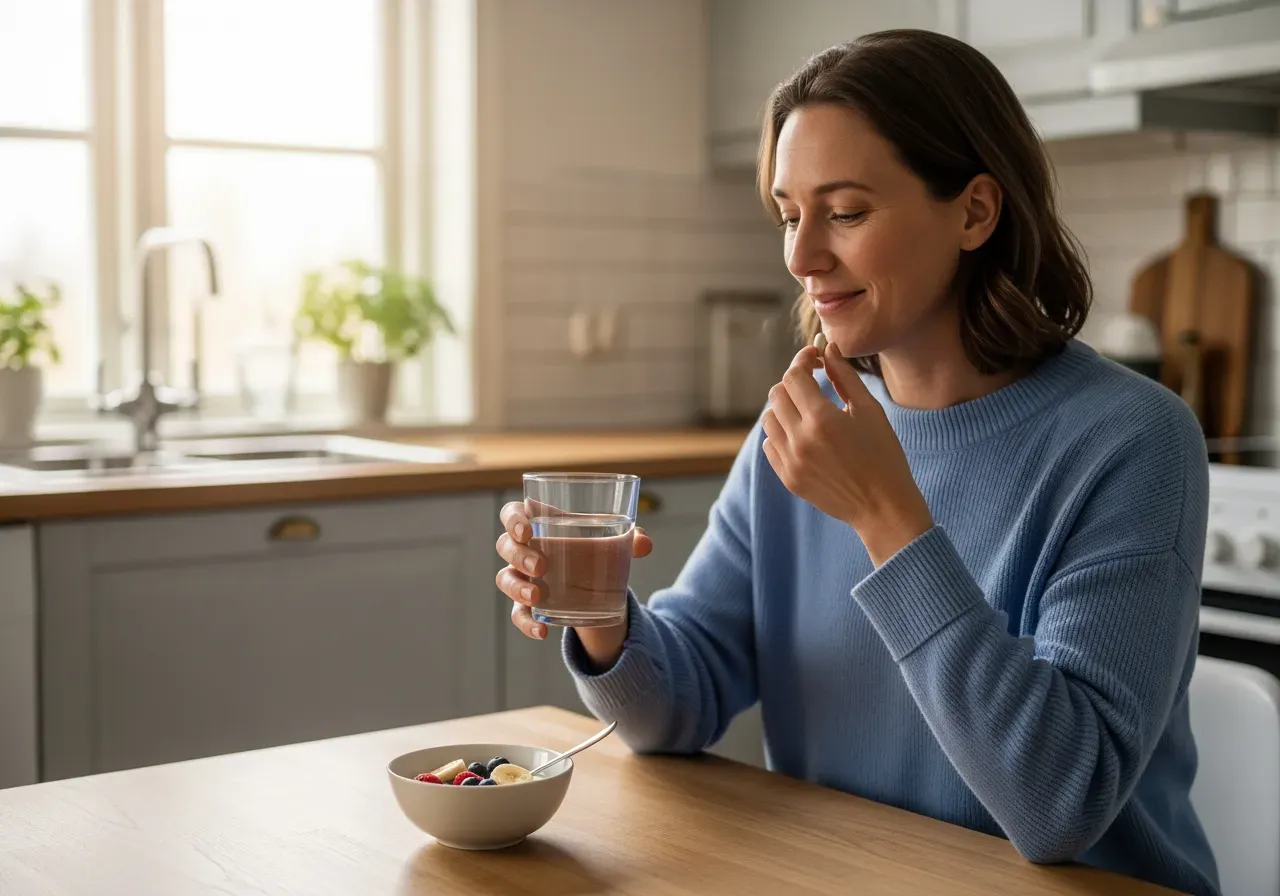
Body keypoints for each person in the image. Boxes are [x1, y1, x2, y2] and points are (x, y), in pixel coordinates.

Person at [494, 29, 1218, 896]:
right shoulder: (805, 427)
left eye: (845, 212)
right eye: (789, 215)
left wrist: (887, 516)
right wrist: (605, 617)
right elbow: (674, 705)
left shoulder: (1133, 441)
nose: (801, 258)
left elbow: (1059, 803)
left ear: (975, 212)